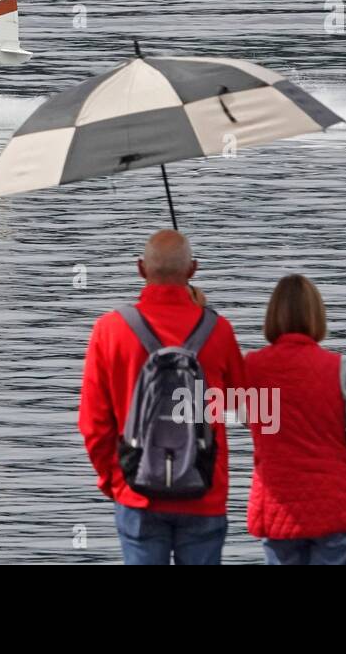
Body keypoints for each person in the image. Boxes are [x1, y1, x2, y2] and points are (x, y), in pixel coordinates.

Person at [78, 230, 246, 565]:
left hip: (138, 490)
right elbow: (240, 406)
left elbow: (93, 423)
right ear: (193, 269)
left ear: (141, 269)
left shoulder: (109, 329)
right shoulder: (219, 330)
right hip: (204, 491)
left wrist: (115, 480)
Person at [244, 274, 346, 565]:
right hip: (334, 507)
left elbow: (241, 418)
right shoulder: (342, 368)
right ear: (318, 315)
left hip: (278, 509)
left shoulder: (251, 367)